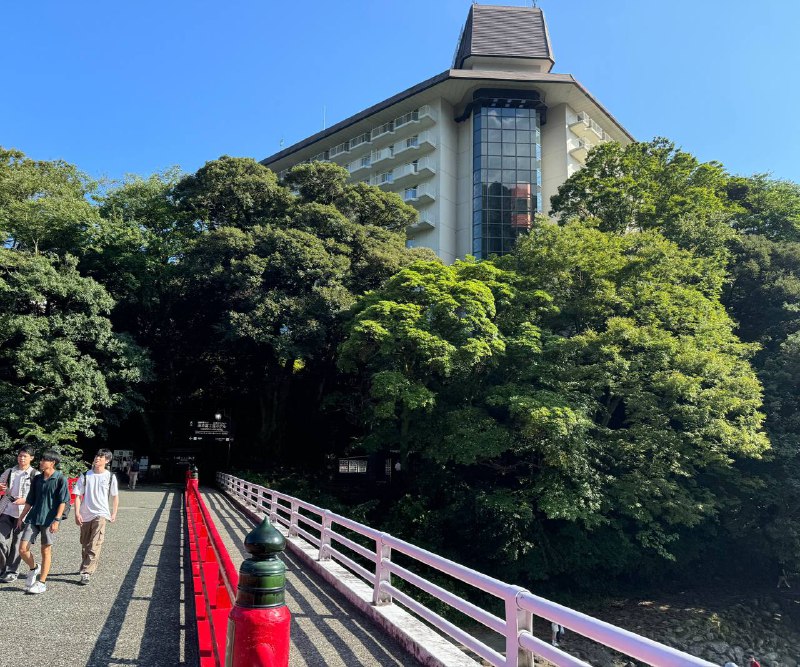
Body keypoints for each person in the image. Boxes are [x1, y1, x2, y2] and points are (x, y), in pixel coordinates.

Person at [17, 450, 70, 595]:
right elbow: (30, 500)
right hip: (33, 517)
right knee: (22, 549)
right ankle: (34, 568)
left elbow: (63, 501)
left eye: (44, 460)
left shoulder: (60, 478)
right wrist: (21, 517)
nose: (40, 462)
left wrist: (57, 520)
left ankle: (42, 582)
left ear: (52, 462)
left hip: (49, 519)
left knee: (45, 550)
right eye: (41, 460)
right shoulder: (37, 478)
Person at [73, 449, 119, 585]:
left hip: (101, 513)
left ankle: (86, 571)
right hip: (85, 513)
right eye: (97, 456)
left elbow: (115, 496)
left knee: (95, 543)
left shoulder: (110, 477)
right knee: (85, 543)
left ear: (107, 460)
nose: (97, 459)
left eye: (101, 457)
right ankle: (86, 564)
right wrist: (77, 513)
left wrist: (114, 512)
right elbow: (77, 495)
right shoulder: (86, 476)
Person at [0, 446, 39, 582]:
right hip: (6, 510)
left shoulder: (35, 475)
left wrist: (26, 500)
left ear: (32, 458)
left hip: (24, 513)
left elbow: (38, 496)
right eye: (20, 455)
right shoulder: (10, 471)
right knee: (0, 540)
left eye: (25, 456)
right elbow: (1, 483)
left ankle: (11, 571)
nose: (22, 458)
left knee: (17, 544)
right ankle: (2, 567)